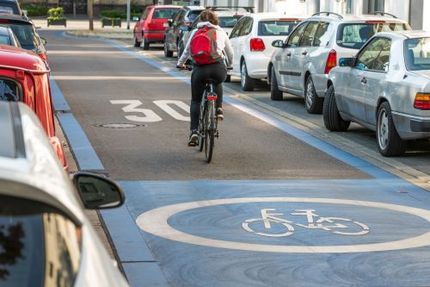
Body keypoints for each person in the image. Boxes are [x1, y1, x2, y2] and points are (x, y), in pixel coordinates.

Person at [176, 9, 233, 146]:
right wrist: (229, 66)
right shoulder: (221, 32)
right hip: (218, 68)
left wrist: (180, 64)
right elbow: (230, 53)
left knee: (196, 101)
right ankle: (218, 108)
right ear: (215, 20)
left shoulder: (196, 32)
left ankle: (194, 131)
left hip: (200, 70)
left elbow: (187, 52)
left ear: (200, 20)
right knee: (217, 81)